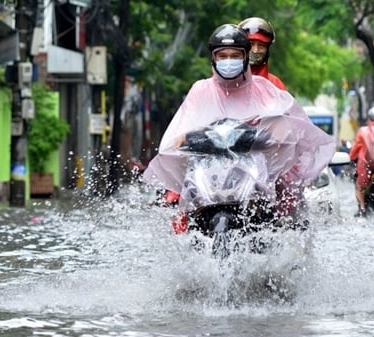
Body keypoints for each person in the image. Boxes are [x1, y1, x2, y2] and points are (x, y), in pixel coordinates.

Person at [142, 24, 335, 230]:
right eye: (222, 56)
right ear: (213, 59)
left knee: (280, 212)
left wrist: (272, 136)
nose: (228, 61)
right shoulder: (200, 90)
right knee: (184, 216)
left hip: (254, 174)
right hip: (209, 173)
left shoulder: (265, 89)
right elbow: (180, 132)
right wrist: (186, 139)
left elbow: (286, 127)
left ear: (245, 57)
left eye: (234, 55)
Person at [238, 17, 287, 90]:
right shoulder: (226, 80)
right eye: (251, 44)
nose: (255, 50)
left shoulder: (275, 84)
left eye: (261, 46)